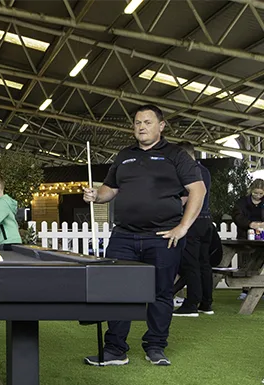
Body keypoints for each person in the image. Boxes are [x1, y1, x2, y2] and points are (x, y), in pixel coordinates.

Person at [82, 104, 206, 367]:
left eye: (148, 122)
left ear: (161, 126)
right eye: (137, 122)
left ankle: (156, 346)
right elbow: (110, 190)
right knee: (116, 290)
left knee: (161, 292)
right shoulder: (124, 155)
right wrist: (96, 195)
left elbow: (198, 190)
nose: (141, 127)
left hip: (162, 236)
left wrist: (182, 228)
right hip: (124, 235)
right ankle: (115, 349)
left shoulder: (176, 155)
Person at [172, 142, 214, 317]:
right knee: (204, 263)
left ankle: (191, 304)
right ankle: (206, 303)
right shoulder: (205, 170)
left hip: (193, 221)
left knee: (191, 264)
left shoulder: (188, 171)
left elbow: (187, 197)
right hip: (206, 221)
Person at [231, 179, 264, 300]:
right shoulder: (242, 202)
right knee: (245, 263)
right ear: (251, 190)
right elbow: (237, 216)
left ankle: (260, 290)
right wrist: (251, 224)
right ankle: (244, 290)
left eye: (261, 193)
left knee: (259, 263)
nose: (258, 196)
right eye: (256, 193)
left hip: (262, 237)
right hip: (245, 236)